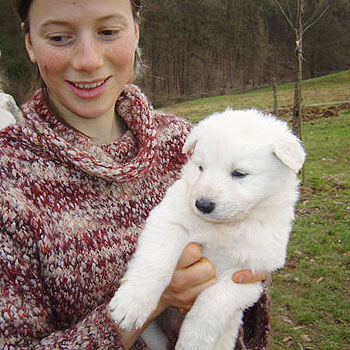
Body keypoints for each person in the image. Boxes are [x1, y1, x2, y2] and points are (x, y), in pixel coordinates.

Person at [0, 0, 270, 349]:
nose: (88, 60)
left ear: (136, 30)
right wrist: (155, 297)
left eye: (108, 32)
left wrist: (245, 270)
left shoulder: (188, 146)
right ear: (30, 44)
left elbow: (243, 290)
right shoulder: (9, 179)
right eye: (59, 37)